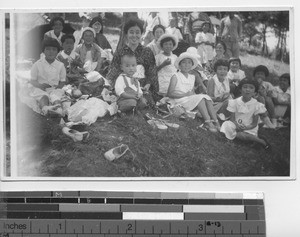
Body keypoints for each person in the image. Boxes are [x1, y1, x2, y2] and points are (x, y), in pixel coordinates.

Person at [106, 19, 159, 102]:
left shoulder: (147, 51)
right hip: (124, 86)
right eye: (131, 32)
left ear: (141, 34)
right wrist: (113, 86)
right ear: (126, 34)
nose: (134, 35)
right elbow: (113, 72)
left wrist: (148, 85)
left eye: (137, 32)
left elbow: (152, 73)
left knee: (145, 101)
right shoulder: (120, 52)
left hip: (143, 87)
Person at [166, 52, 220, 132]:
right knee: (200, 98)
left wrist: (193, 95)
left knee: (206, 98)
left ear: (192, 66)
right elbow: (169, 94)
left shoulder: (192, 77)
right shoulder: (175, 76)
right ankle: (208, 122)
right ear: (179, 65)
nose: (186, 65)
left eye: (189, 63)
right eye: (184, 62)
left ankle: (216, 122)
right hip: (178, 100)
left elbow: (192, 93)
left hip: (188, 99)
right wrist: (185, 94)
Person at [220, 78, 271, 150]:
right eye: (245, 87)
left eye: (251, 88)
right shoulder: (234, 102)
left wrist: (246, 128)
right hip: (236, 124)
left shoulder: (256, 105)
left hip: (249, 127)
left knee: (241, 135)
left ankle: (261, 141)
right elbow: (232, 118)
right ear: (240, 90)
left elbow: (254, 123)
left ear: (255, 92)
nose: (247, 90)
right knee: (227, 124)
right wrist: (237, 125)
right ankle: (248, 139)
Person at [30, 38, 67, 116]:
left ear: (57, 52)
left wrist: (59, 87)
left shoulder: (60, 65)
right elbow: (32, 80)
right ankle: (45, 108)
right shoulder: (37, 64)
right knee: (44, 96)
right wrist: (40, 85)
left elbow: (63, 81)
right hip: (40, 88)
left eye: (54, 49)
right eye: (48, 49)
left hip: (54, 88)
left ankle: (57, 109)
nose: (51, 52)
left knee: (55, 96)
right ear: (43, 51)